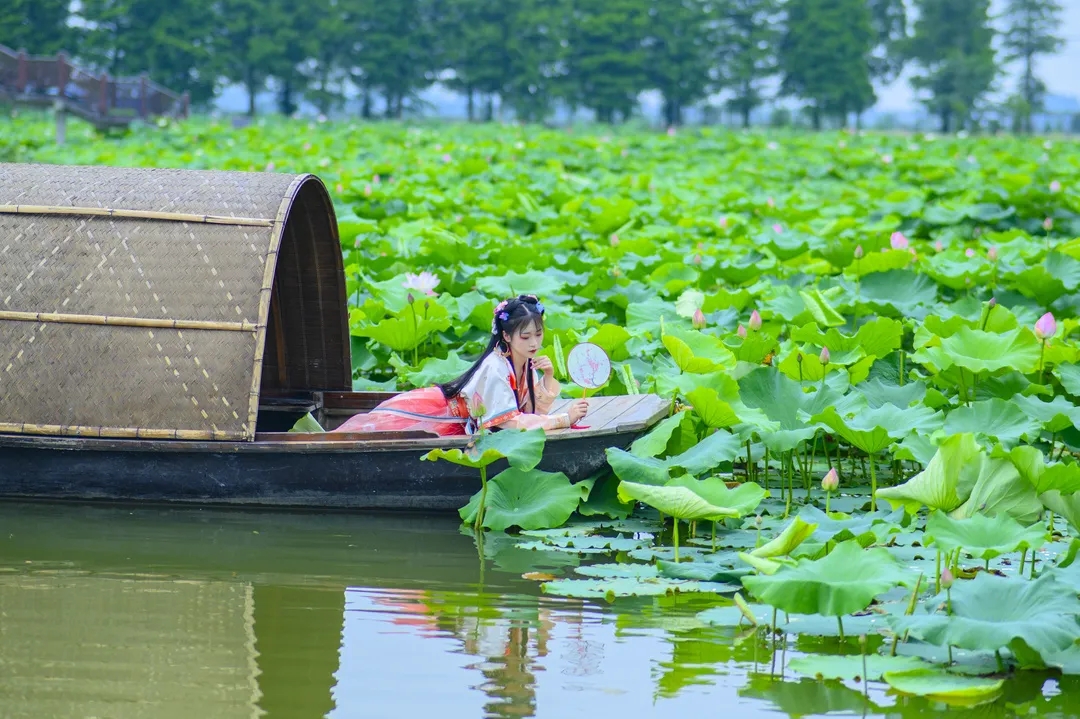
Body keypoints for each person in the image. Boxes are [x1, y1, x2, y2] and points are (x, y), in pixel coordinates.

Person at [334, 295, 589, 436]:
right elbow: (509, 423)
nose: (534, 343)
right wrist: (564, 419)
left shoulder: (526, 363)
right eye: (526, 337)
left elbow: (531, 410)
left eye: (538, 334)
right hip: (443, 416)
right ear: (507, 336)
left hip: (473, 420)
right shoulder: (495, 368)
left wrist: (547, 377)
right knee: (373, 433)